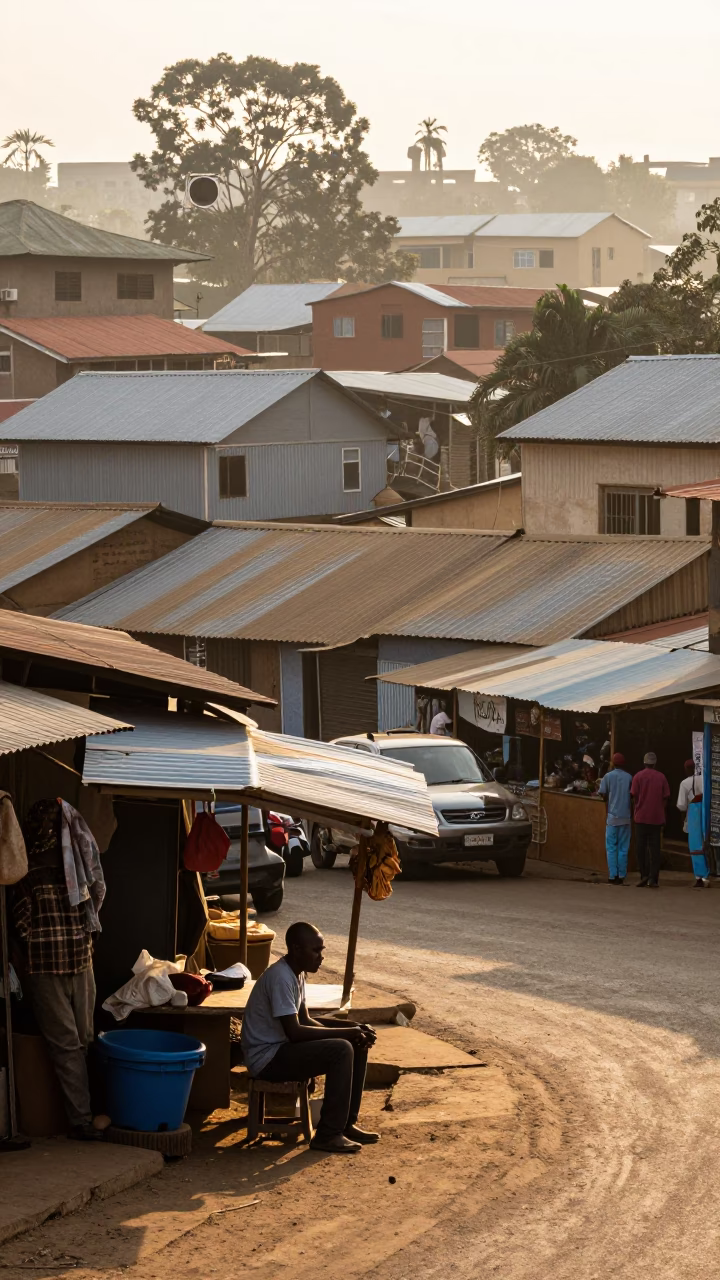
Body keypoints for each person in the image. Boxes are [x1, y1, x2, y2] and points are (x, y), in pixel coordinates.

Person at [241, 922, 378, 1154]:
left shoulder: (297, 973)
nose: (321, 957)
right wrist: (347, 1032)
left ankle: (345, 1125)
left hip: (281, 1050)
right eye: (316, 951)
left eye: (321, 950)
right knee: (342, 1049)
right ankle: (328, 1135)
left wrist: (354, 1027)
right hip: (266, 1059)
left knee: (356, 1041)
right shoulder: (281, 978)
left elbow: (305, 1020)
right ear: (296, 949)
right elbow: (295, 1032)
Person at [11, 799, 102, 1140]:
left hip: (59, 964)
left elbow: (20, 927)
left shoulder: (36, 873)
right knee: (74, 1043)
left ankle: (84, 1116)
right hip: (68, 964)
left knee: (75, 1043)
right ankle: (81, 1120)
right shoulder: (55, 871)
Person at [630, 752, 670, 888]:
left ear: (644, 762)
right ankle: (653, 879)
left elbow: (634, 796)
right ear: (655, 763)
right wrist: (661, 811)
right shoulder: (662, 777)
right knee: (655, 850)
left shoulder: (637, 777)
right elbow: (665, 798)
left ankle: (644, 875)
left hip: (641, 817)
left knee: (640, 848)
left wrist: (638, 808)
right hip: (657, 818)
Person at [598, 753, 633, 883]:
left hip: (612, 818)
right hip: (625, 817)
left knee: (611, 847)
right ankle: (621, 875)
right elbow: (632, 795)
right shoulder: (629, 777)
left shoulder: (608, 776)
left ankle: (613, 875)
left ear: (613, 763)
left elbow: (603, 794)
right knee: (623, 848)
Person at [677, 759, 708, 888]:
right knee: (707, 842)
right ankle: (710, 872)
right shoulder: (704, 779)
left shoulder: (684, 783)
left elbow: (681, 805)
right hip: (706, 812)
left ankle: (700, 877)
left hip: (694, 814)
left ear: (686, 769)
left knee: (695, 845)